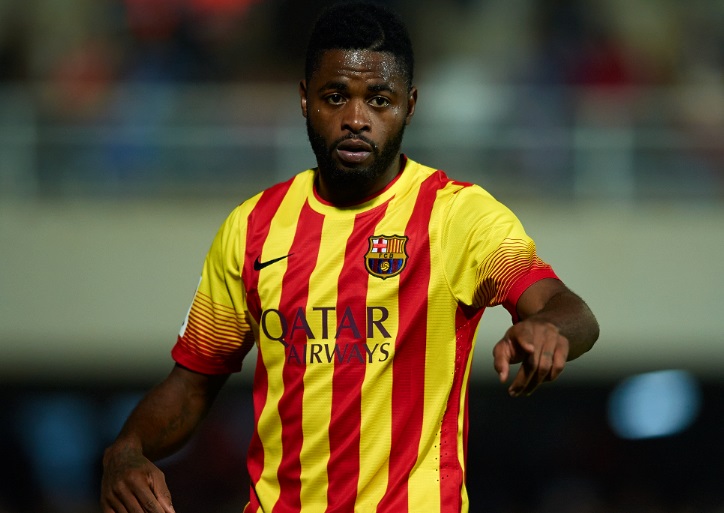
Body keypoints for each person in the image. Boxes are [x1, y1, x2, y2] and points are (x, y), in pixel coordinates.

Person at [100, 2, 600, 512]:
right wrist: (126, 449)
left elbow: (571, 310)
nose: (356, 119)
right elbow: (192, 384)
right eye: (335, 97)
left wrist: (549, 328)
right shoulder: (252, 228)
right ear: (304, 99)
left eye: (379, 100)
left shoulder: (457, 217)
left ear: (409, 105)